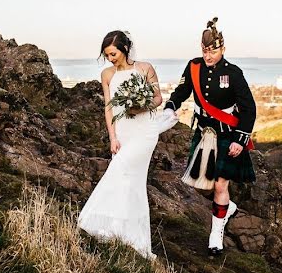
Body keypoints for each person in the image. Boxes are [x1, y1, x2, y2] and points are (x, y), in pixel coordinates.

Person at [77, 30, 177, 259]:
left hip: (145, 131)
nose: (110, 58)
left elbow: (158, 98)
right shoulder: (107, 75)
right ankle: (120, 231)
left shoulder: (144, 68)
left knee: (122, 171)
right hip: (123, 131)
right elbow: (108, 107)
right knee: (125, 179)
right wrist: (113, 137)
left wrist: (140, 106)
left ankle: (115, 228)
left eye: (113, 53)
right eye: (107, 55)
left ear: (124, 49)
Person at [163, 18, 257, 256]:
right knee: (201, 184)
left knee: (220, 185)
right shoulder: (194, 67)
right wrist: (171, 105)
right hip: (204, 133)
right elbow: (183, 90)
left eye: (212, 50)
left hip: (227, 135)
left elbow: (249, 108)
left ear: (222, 49)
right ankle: (228, 207)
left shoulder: (233, 74)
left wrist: (240, 139)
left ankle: (216, 235)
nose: (208, 55)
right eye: (204, 50)